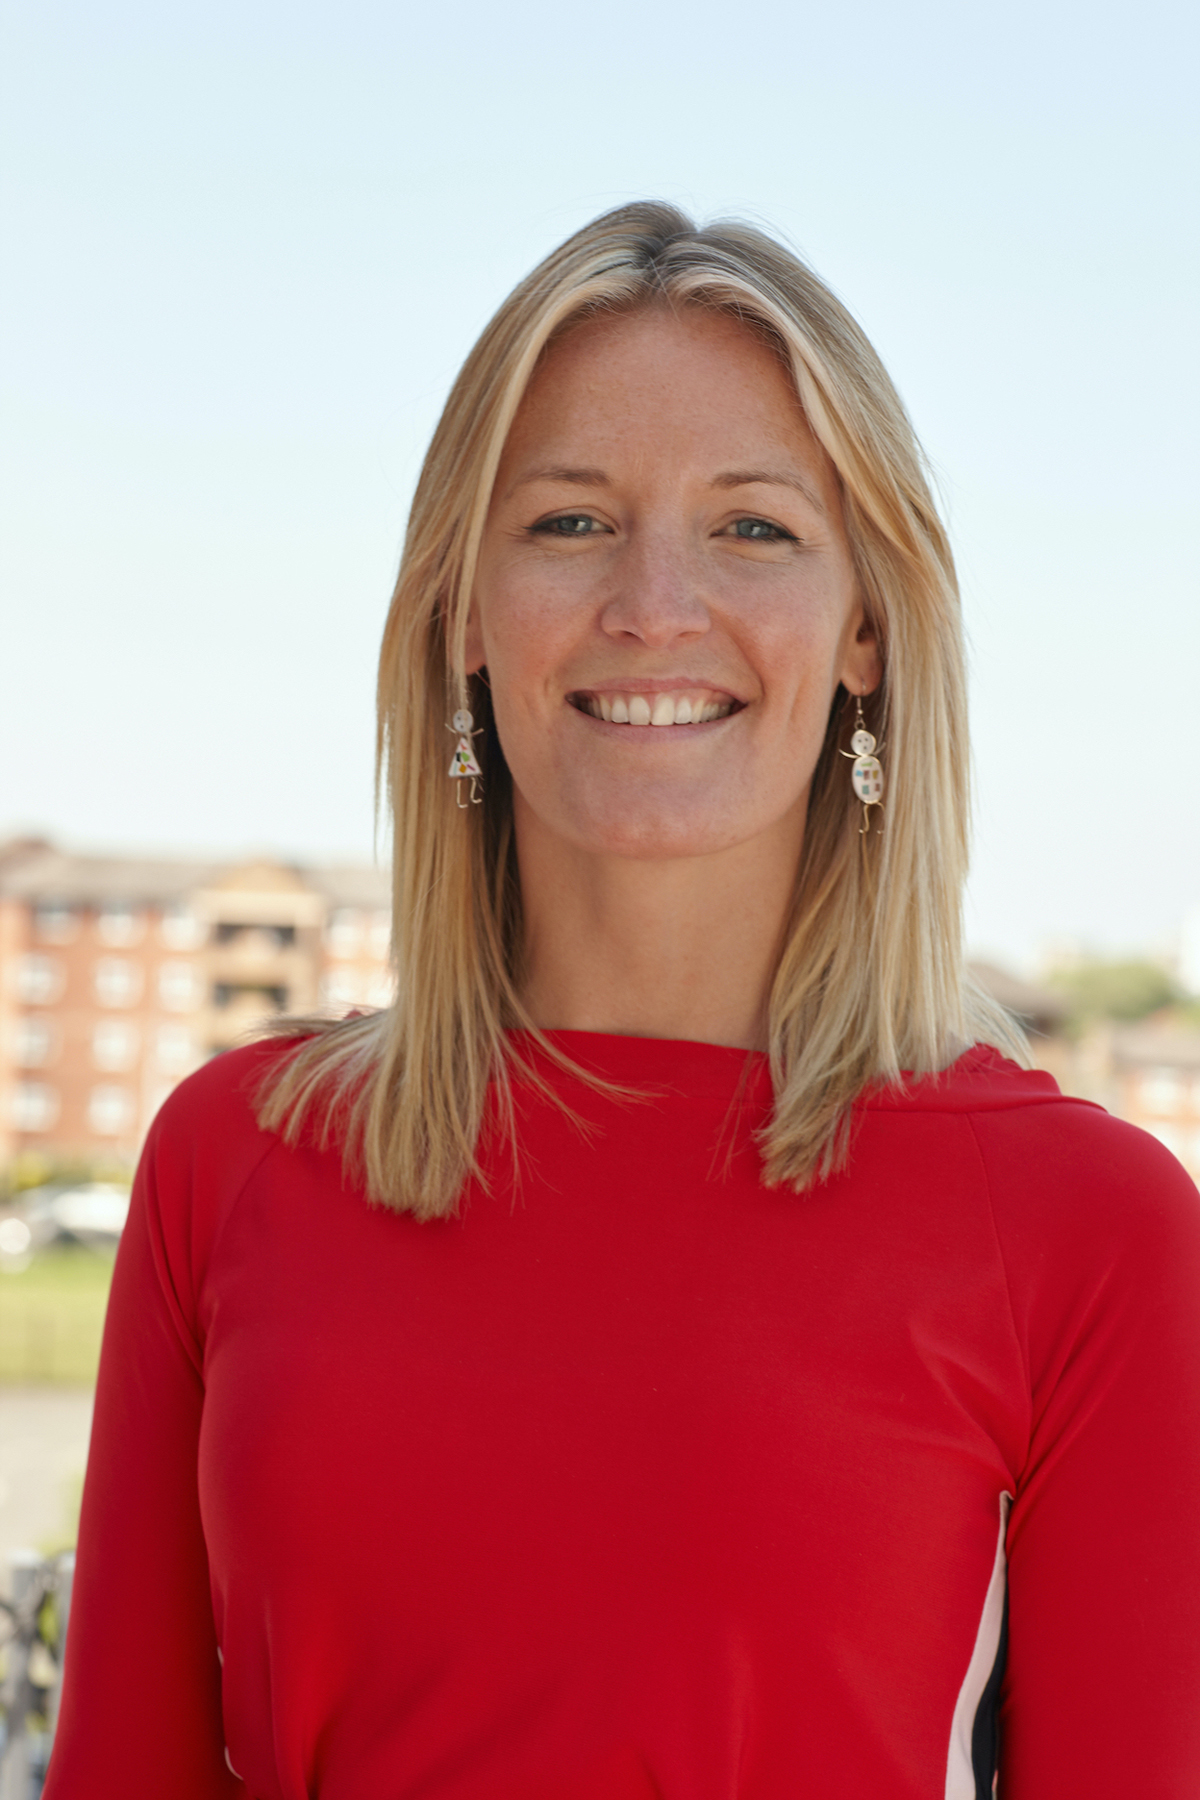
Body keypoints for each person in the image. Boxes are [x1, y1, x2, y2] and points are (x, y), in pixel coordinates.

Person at [45, 203, 1200, 1799]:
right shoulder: (231, 1162)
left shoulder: (1088, 1228)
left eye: (754, 529)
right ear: (461, 610)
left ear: (865, 628)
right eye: (572, 523)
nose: (656, 604)